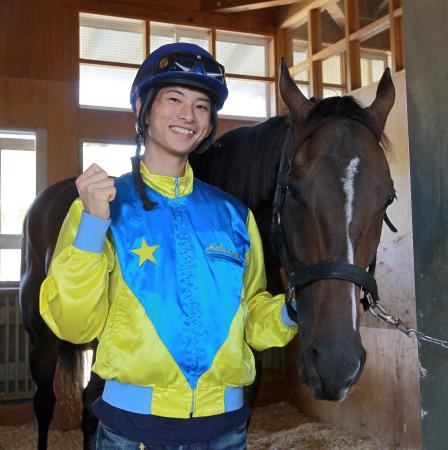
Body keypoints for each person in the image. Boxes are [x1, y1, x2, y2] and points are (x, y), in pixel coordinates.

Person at [39, 43, 297, 449]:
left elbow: (252, 321)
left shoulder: (234, 215)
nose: (187, 115)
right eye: (174, 99)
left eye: (201, 106)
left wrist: (291, 308)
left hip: (226, 431)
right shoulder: (100, 207)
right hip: (132, 433)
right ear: (142, 107)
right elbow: (74, 324)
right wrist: (92, 225)